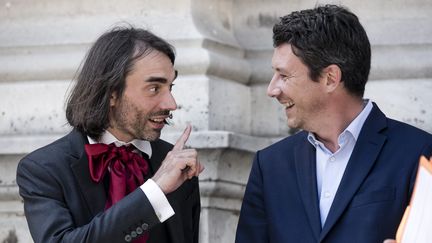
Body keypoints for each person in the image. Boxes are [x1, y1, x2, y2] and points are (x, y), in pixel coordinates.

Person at [235, 4, 432, 243]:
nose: (272, 89)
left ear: (330, 78)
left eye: (284, 75)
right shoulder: (269, 166)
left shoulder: (419, 153)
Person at [16, 26, 204, 243]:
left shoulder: (176, 164)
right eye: (154, 88)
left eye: (170, 87)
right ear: (111, 92)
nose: (171, 103)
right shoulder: (43, 169)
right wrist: (154, 191)